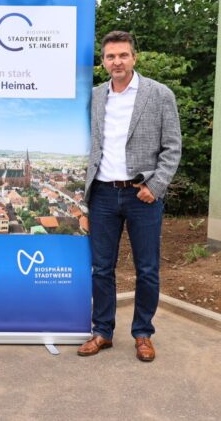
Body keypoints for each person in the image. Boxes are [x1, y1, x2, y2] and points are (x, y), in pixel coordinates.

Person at [79, 31, 181, 362]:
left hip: (142, 195)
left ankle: (142, 334)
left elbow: (172, 147)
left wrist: (157, 185)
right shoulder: (96, 96)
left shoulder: (159, 94)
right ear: (103, 62)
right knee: (101, 268)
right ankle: (102, 332)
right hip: (103, 196)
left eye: (123, 55)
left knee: (147, 269)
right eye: (110, 57)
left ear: (134, 57)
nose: (117, 62)